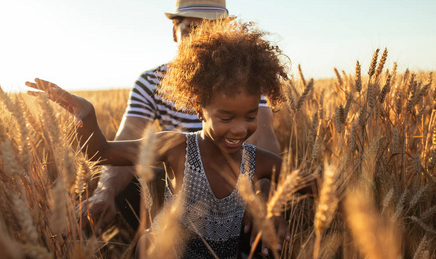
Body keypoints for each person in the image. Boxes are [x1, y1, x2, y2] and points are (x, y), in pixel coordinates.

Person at [26, 19, 313, 258]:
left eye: (250, 116)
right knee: (149, 243)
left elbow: (307, 181)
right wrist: (87, 116)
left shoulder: (257, 159)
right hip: (169, 251)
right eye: (226, 118)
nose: (240, 129)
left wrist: (275, 203)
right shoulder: (176, 146)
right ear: (199, 108)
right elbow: (101, 153)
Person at [80, 0, 282, 242]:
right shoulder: (151, 82)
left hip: (233, 191)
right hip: (173, 188)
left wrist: (266, 201)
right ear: (174, 31)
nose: (202, 39)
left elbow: (264, 139)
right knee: (124, 186)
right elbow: (127, 140)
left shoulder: (248, 79)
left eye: (212, 28)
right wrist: (104, 192)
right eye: (191, 29)